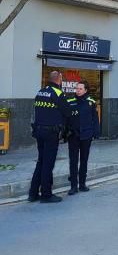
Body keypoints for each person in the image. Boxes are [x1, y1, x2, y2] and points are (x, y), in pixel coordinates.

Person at [29, 70, 71, 203]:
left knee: (41, 161)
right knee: (48, 163)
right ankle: (46, 194)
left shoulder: (40, 92)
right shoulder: (58, 93)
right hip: (50, 133)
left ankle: (33, 193)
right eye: (62, 78)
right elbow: (67, 112)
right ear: (59, 79)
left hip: (39, 131)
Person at [66, 80, 100, 195]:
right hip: (73, 136)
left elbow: (95, 119)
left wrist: (96, 133)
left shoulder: (91, 102)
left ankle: (82, 184)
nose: (78, 91)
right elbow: (66, 118)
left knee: (84, 160)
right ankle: (73, 186)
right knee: (73, 161)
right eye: (77, 89)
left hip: (86, 135)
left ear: (85, 90)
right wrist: (66, 133)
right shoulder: (70, 101)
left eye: (80, 89)